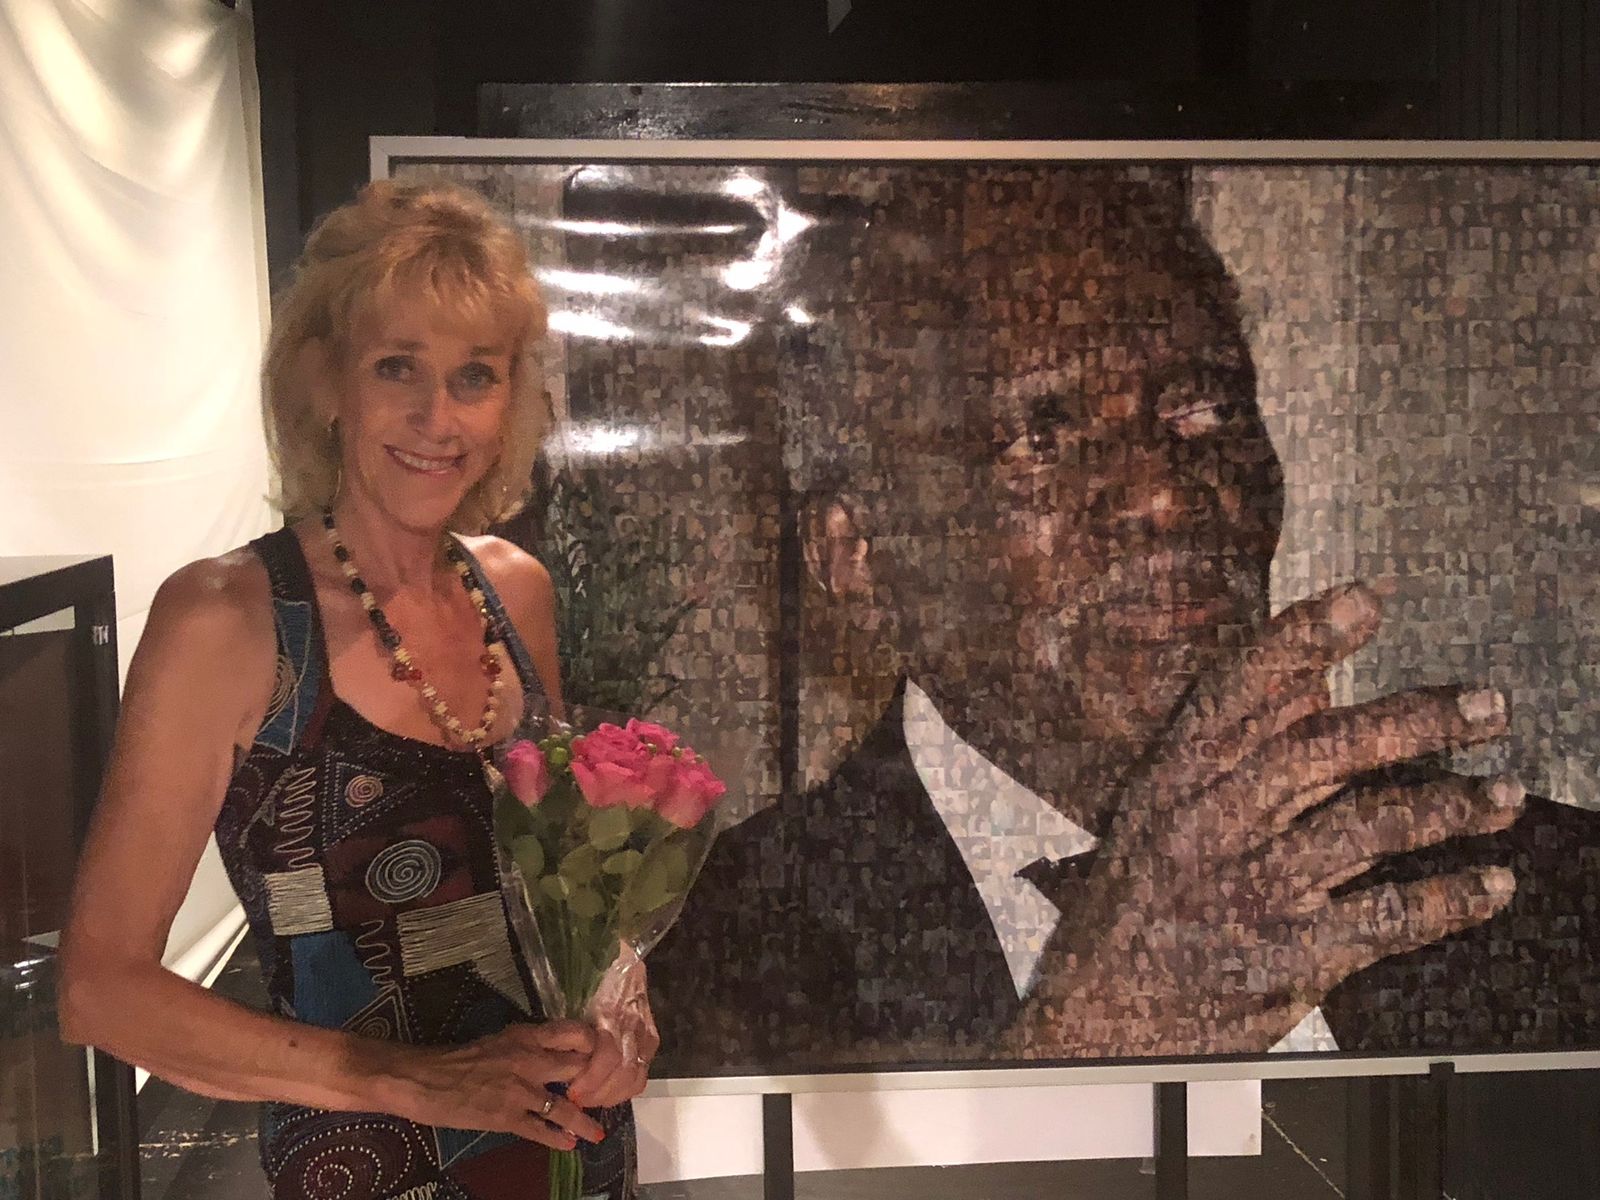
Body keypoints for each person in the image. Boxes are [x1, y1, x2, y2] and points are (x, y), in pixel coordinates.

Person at [649, 166, 1600, 1075]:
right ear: (857, 553)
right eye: (1042, 439)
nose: (1166, 496)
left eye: (1204, 409)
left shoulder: (1542, 892)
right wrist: (1083, 1044)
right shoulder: (717, 955)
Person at [57, 181, 656, 1199]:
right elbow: (98, 990)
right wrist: (411, 1080)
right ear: (323, 380)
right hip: (367, 1172)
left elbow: (559, 878)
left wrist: (622, 1005)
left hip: (573, 1155)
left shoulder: (516, 591)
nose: (437, 417)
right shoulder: (229, 621)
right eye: (396, 367)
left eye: (475, 375)